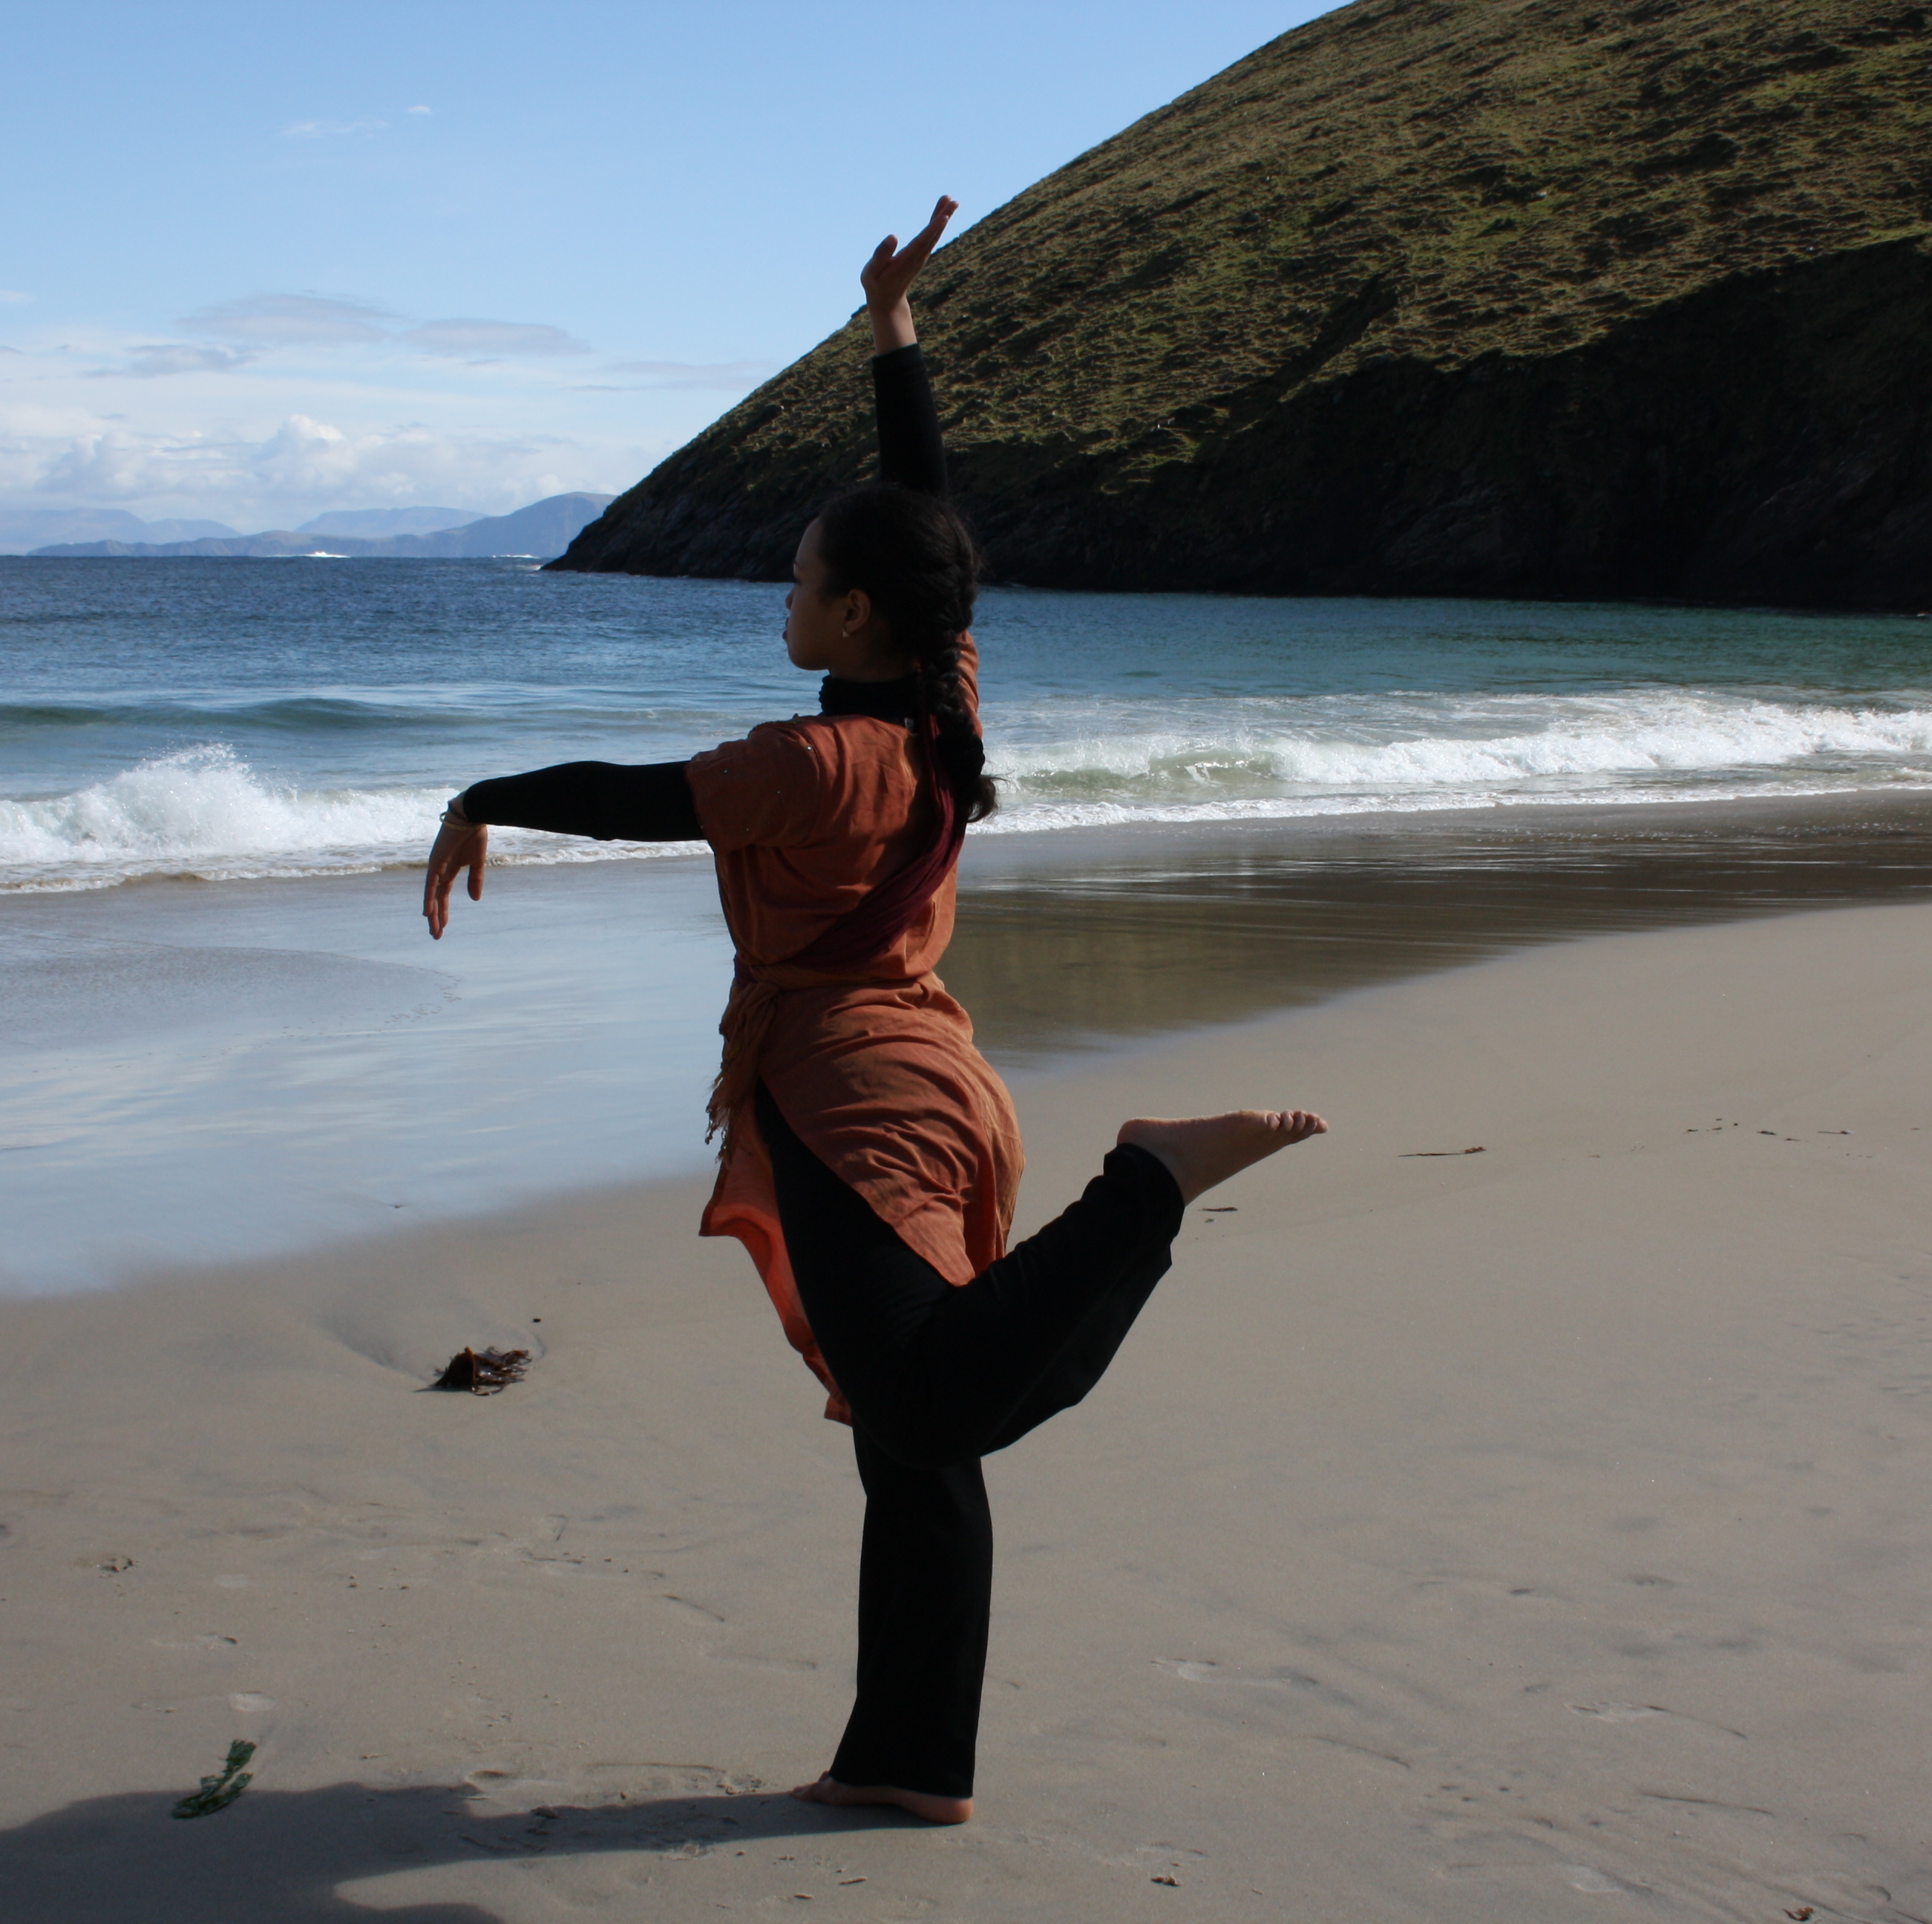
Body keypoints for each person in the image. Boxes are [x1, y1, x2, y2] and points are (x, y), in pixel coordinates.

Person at [420, 197, 1325, 1825]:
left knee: (925, 1400)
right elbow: (928, 519)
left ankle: (1148, 1182)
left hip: (854, 1101)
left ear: (851, 616)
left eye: (800, 580)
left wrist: (480, 792)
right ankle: (909, 1762)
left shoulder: (813, 761)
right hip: (929, 1078)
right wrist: (894, 335)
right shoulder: (940, 708)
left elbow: (635, 797)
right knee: (912, 1448)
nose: (783, 597)